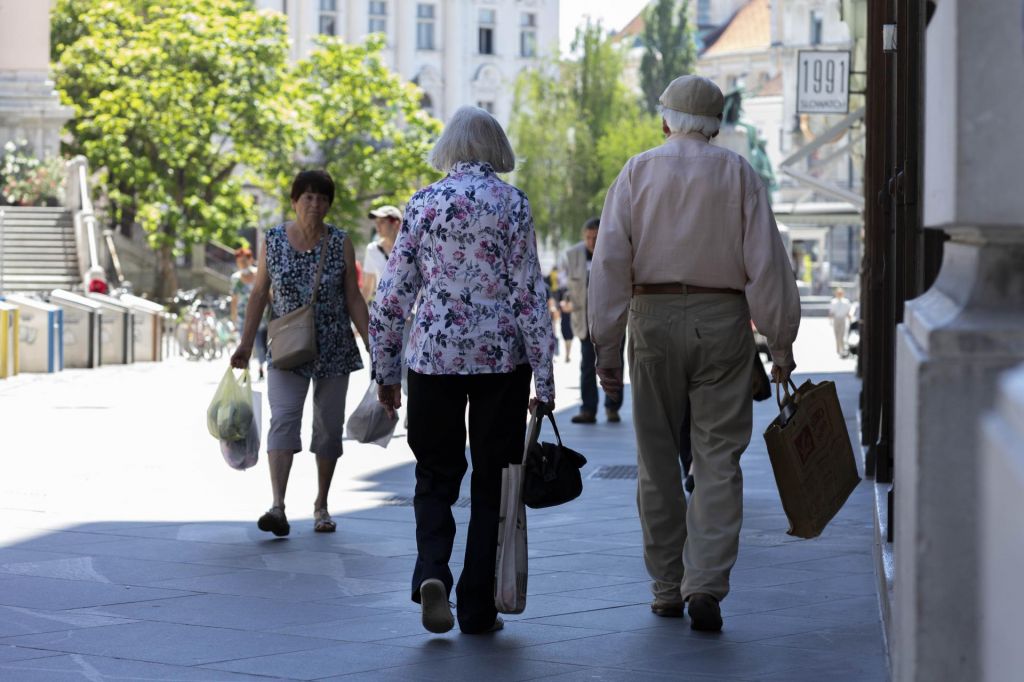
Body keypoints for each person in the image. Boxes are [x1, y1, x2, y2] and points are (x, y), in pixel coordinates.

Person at [588, 75, 800, 632]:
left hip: (652, 318)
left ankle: (664, 586)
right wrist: (779, 342)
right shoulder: (739, 174)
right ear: (718, 125)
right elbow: (767, 264)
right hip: (723, 321)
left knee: (656, 461)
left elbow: (610, 262)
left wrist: (605, 346)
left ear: (665, 121)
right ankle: (705, 580)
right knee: (717, 460)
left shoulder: (637, 171)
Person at [369, 106, 555, 636]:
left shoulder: (423, 204)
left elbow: (391, 297)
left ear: (449, 147)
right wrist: (544, 376)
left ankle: (433, 572)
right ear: (495, 147)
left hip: (432, 358)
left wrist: (386, 373)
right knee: (493, 481)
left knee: (435, 474)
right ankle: (477, 606)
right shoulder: (512, 204)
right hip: (500, 360)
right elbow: (527, 294)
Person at [230, 170, 370, 537]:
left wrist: (374, 343)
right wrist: (245, 343)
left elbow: (353, 296)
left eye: (322, 198)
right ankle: (277, 506)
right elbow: (259, 293)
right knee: (284, 420)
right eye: (307, 196)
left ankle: (322, 504)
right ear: (294, 201)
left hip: (335, 346)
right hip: (288, 346)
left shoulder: (340, 242)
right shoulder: (273, 240)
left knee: (328, 427)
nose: (314, 203)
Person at [563, 218, 623, 424]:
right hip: (585, 320)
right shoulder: (573, 255)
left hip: (612, 319)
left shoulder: (616, 252)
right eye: (588, 237)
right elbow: (567, 286)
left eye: (596, 237)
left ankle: (612, 407)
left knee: (614, 363)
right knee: (587, 365)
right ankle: (588, 409)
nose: (591, 242)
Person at [230, 246, 267, 380]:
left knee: (259, 344)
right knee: (243, 344)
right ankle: (246, 371)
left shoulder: (258, 274)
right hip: (242, 318)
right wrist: (233, 318)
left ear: (250, 260)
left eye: (244, 261)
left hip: (259, 317)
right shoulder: (235, 278)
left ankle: (261, 368)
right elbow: (234, 299)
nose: (242, 264)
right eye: (239, 262)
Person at [361, 205, 402, 303]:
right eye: (377, 222)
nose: (377, 226)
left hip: (410, 312)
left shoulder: (410, 248)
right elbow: (367, 287)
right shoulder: (372, 249)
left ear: (396, 224)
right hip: (383, 309)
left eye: (382, 222)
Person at [828, 287, 853, 357]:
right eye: (838, 293)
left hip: (843, 319)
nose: (839, 294)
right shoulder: (833, 301)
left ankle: (842, 348)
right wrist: (830, 319)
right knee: (836, 334)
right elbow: (831, 312)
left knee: (841, 334)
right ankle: (838, 348)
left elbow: (848, 311)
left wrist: (850, 318)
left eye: (840, 293)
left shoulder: (846, 301)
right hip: (836, 319)